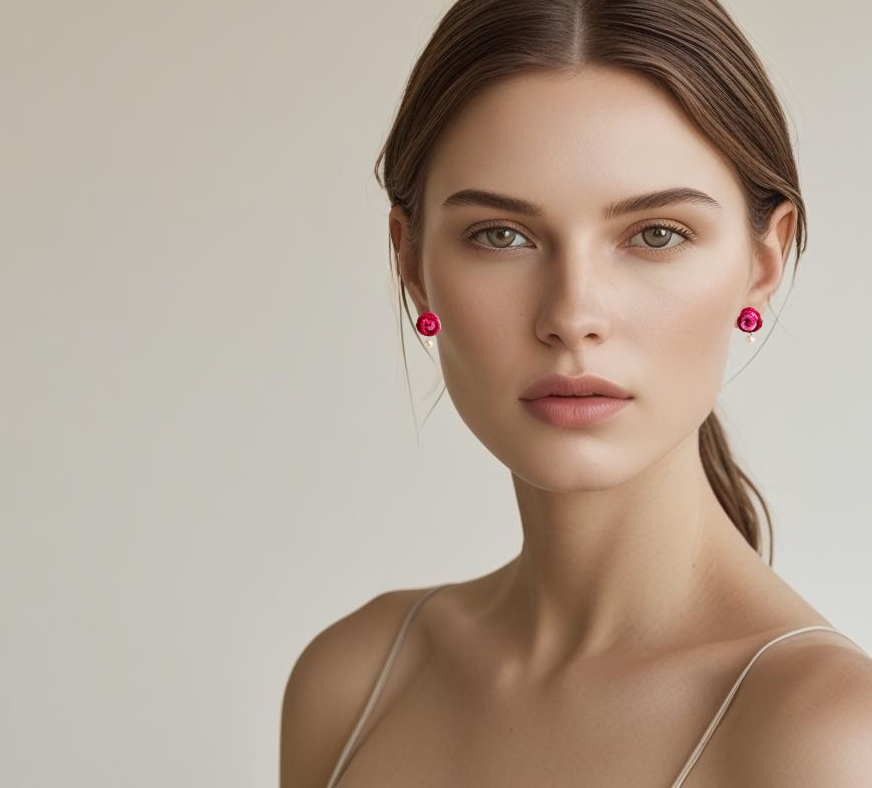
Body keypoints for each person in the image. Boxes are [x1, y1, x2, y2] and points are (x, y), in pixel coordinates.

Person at [282, 0, 872, 785]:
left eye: (655, 234)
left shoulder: (826, 739)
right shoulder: (353, 679)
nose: (572, 316)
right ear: (412, 261)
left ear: (766, 258)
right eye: (502, 235)